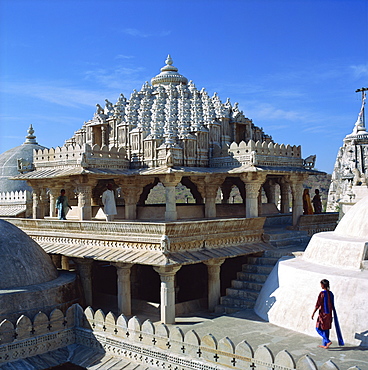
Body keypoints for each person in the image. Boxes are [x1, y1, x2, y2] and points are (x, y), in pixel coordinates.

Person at [311, 279, 344, 348]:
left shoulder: (322, 293)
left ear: (323, 285)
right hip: (329, 314)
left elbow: (318, 304)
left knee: (318, 328)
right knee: (326, 329)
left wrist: (313, 313)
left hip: (323, 314)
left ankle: (327, 341)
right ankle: (325, 345)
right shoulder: (331, 294)